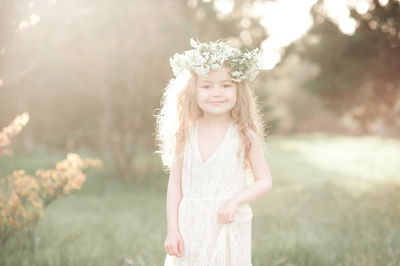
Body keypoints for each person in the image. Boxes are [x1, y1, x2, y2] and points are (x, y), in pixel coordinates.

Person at [155, 38, 273, 266]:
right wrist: (173, 230)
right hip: (190, 223)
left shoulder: (244, 135)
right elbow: (175, 186)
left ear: (239, 89)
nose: (216, 93)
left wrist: (234, 202)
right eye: (207, 86)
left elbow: (264, 181)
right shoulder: (184, 135)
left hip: (228, 222)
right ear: (193, 91)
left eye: (226, 85)